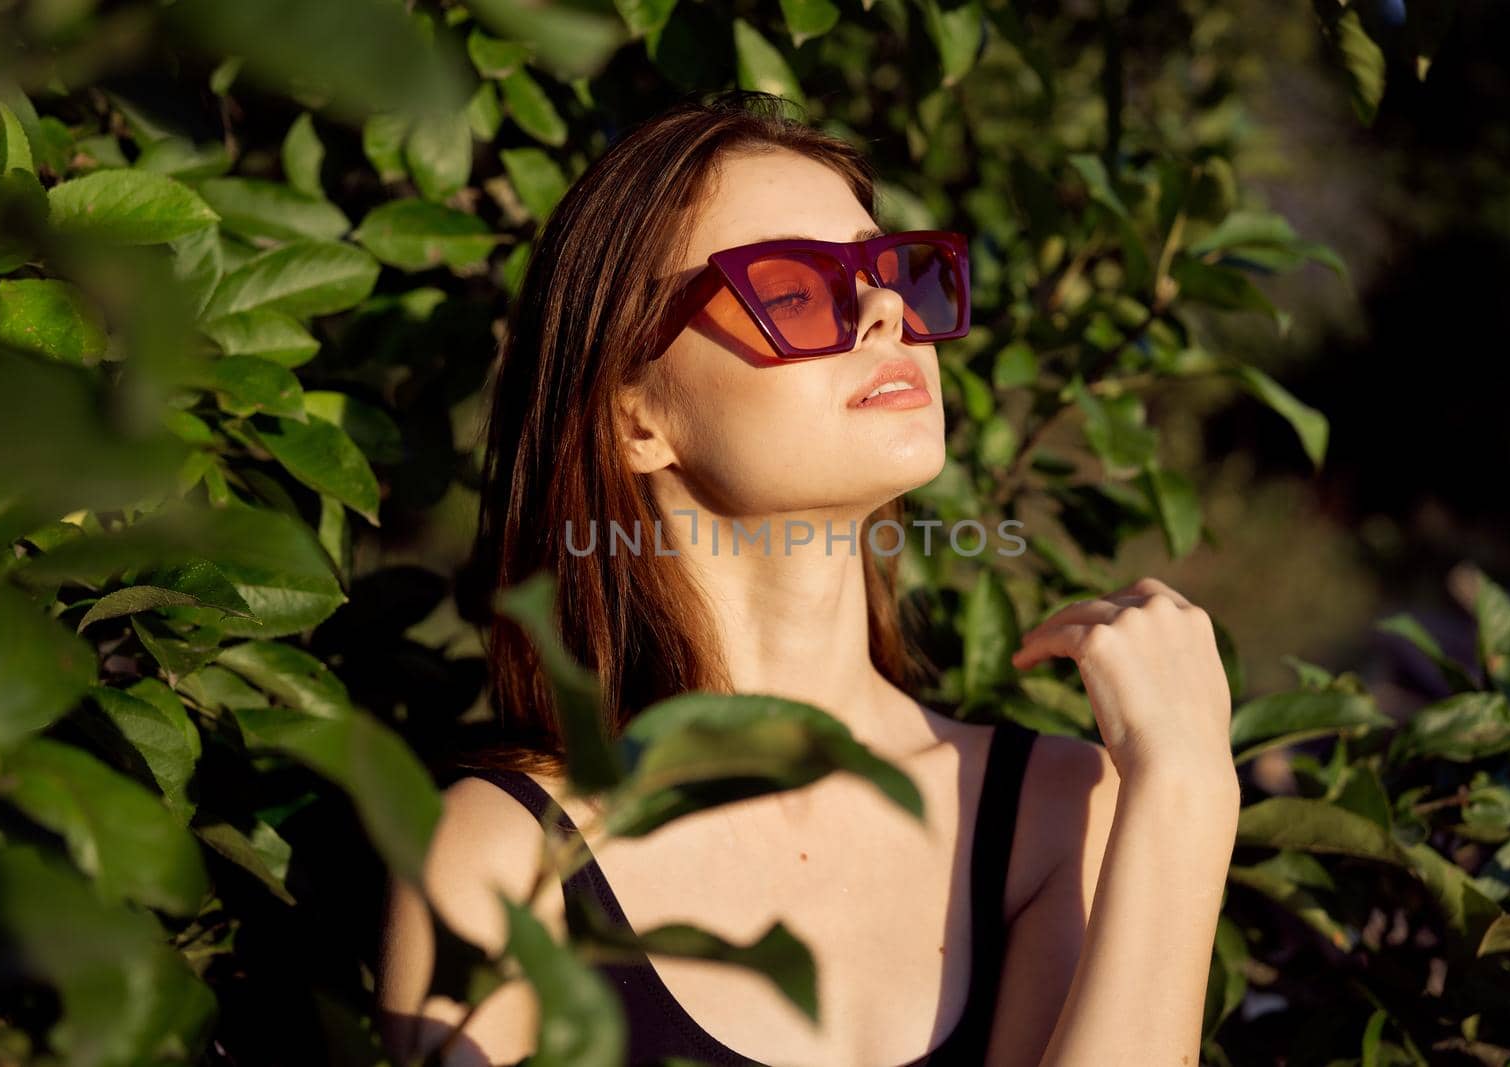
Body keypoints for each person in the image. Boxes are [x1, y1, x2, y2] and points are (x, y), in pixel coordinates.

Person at [376, 89, 1240, 1067]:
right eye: (791, 289)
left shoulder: (1058, 811)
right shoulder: (501, 857)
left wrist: (1184, 791)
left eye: (889, 272)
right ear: (633, 418)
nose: (885, 312)